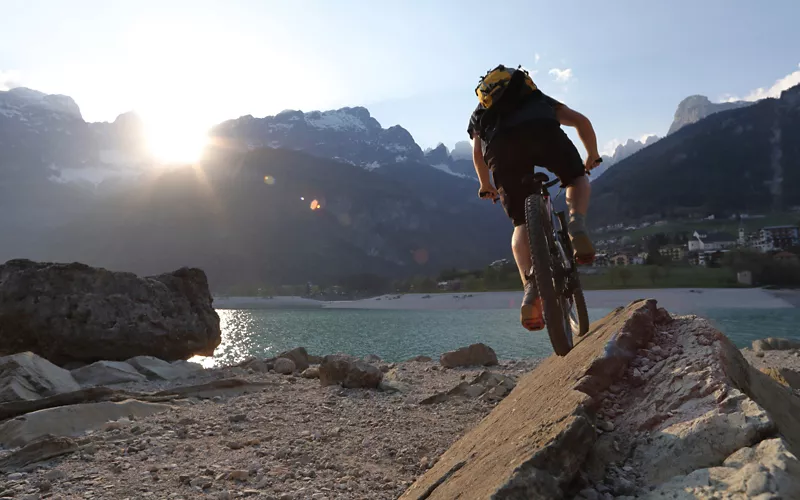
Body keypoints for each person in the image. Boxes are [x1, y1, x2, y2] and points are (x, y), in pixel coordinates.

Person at [468, 65, 601, 331]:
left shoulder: (482, 113)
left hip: (501, 149)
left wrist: (485, 184)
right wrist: (591, 155)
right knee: (576, 178)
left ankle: (531, 289)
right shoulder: (536, 98)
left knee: (521, 224)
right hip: (542, 132)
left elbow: (478, 152)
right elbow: (581, 121)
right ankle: (576, 225)